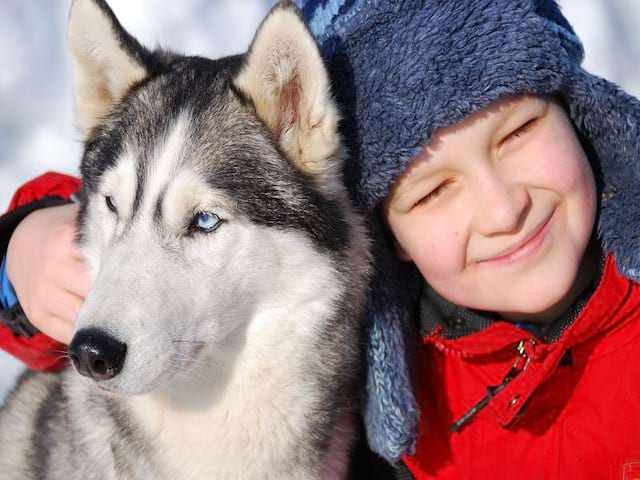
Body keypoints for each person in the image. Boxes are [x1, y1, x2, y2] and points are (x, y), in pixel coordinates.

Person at [2, 0, 640, 478]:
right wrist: (18, 252)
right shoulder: (406, 327)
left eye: (519, 132)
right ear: (389, 230)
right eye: (431, 193)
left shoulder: (398, 361)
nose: (501, 209)